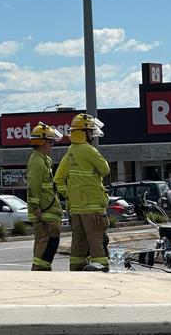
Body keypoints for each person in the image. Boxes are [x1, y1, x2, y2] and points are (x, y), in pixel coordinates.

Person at [54, 113, 110, 271]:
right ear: (85, 132)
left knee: (78, 246)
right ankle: (103, 272)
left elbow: (58, 178)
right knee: (97, 244)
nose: (93, 134)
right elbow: (105, 170)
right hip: (93, 209)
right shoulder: (89, 150)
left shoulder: (71, 151)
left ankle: (77, 272)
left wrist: (68, 195)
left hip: (76, 209)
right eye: (91, 131)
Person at [27, 122, 64, 271]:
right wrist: (36, 210)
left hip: (48, 212)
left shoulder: (42, 160)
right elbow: (33, 187)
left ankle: (43, 269)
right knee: (45, 245)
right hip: (44, 214)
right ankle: (40, 271)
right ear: (42, 143)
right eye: (50, 142)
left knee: (49, 244)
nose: (52, 146)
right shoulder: (37, 161)